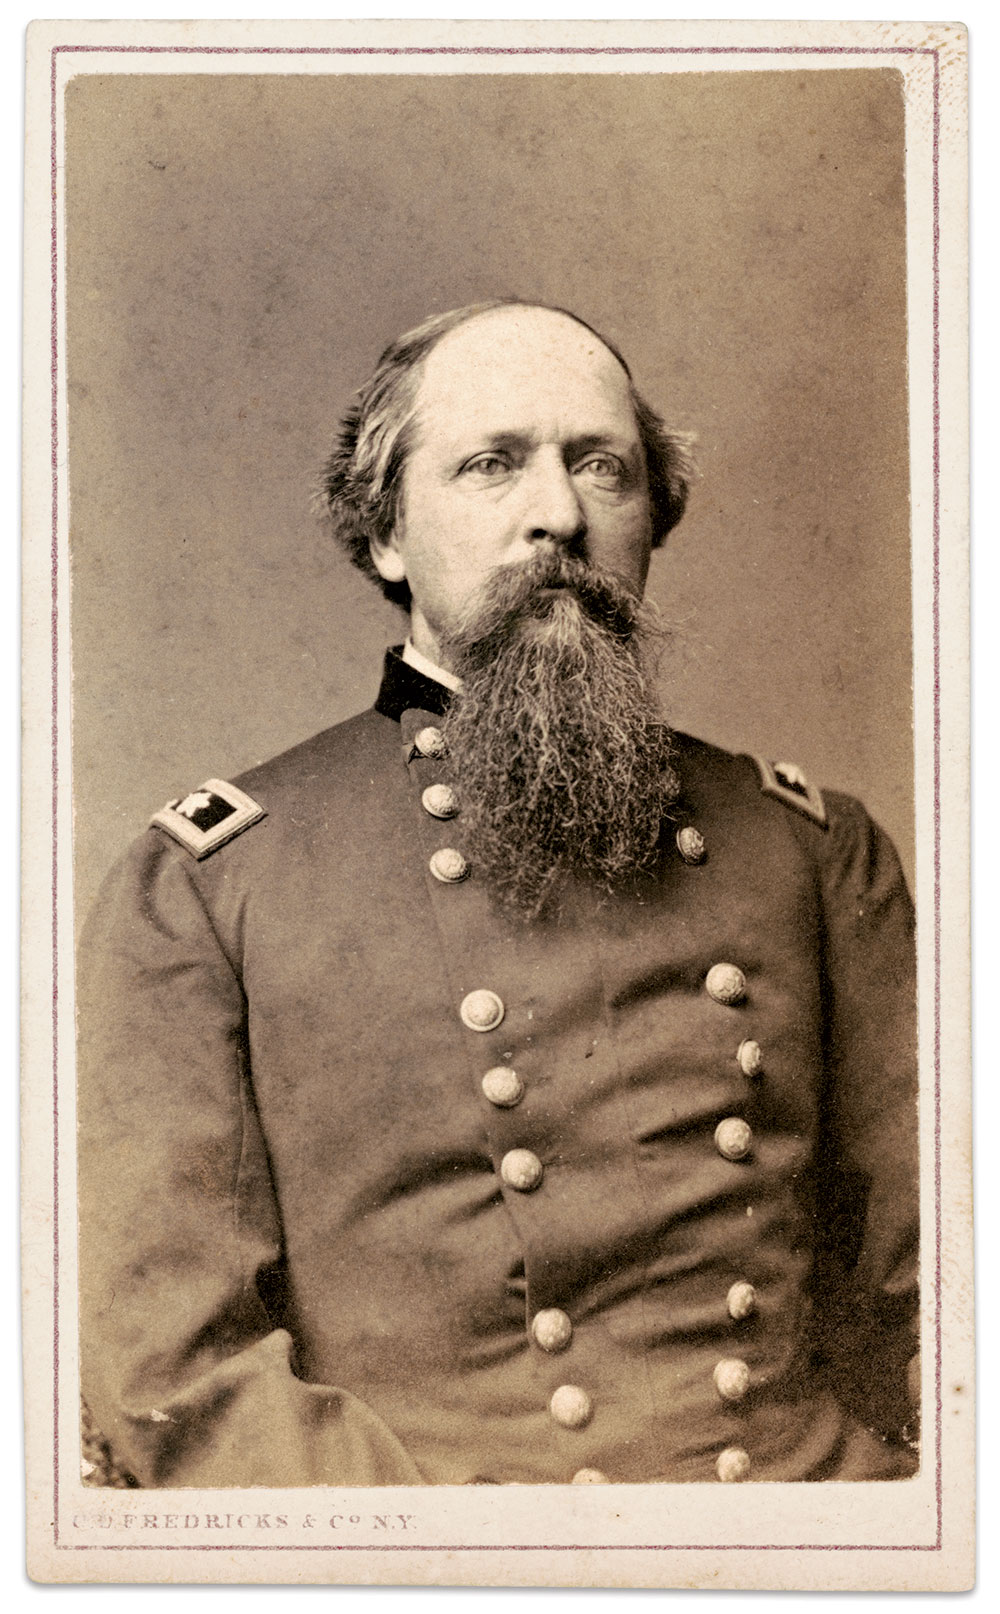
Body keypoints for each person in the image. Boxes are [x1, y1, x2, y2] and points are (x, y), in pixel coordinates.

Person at [77, 299, 919, 1489]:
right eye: (491, 466)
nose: (560, 515)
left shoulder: (817, 856)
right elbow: (176, 1379)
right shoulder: (211, 886)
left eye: (601, 467)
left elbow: (932, 1308)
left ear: (650, 521)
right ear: (385, 536)